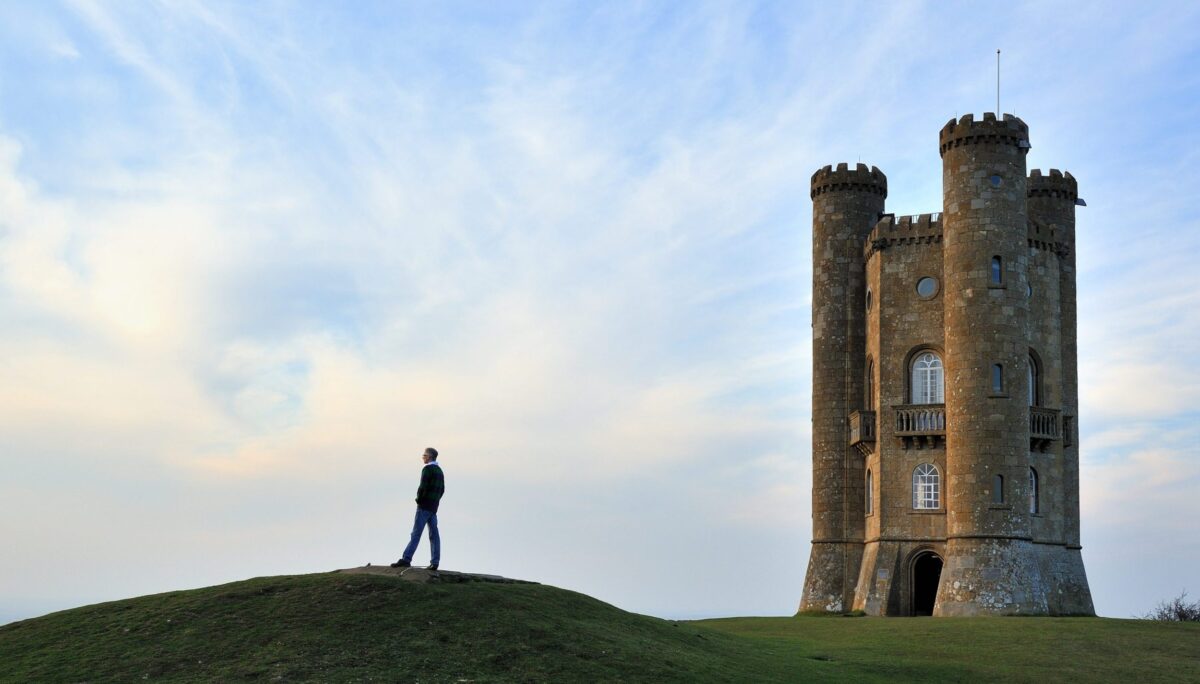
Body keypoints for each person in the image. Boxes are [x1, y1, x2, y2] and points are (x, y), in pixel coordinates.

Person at [391, 447, 444, 570]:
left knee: (416, 534)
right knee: (434, 535)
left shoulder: (427, 469)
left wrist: (419, 500)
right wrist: (435, 502)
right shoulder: (439, 471)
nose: (423, 457)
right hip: (433, 508)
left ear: (429, 457)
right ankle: (435, 562)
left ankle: (406, 559)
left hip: (424, 506)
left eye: (424, 455)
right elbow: (442, 490)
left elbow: (422, 487)